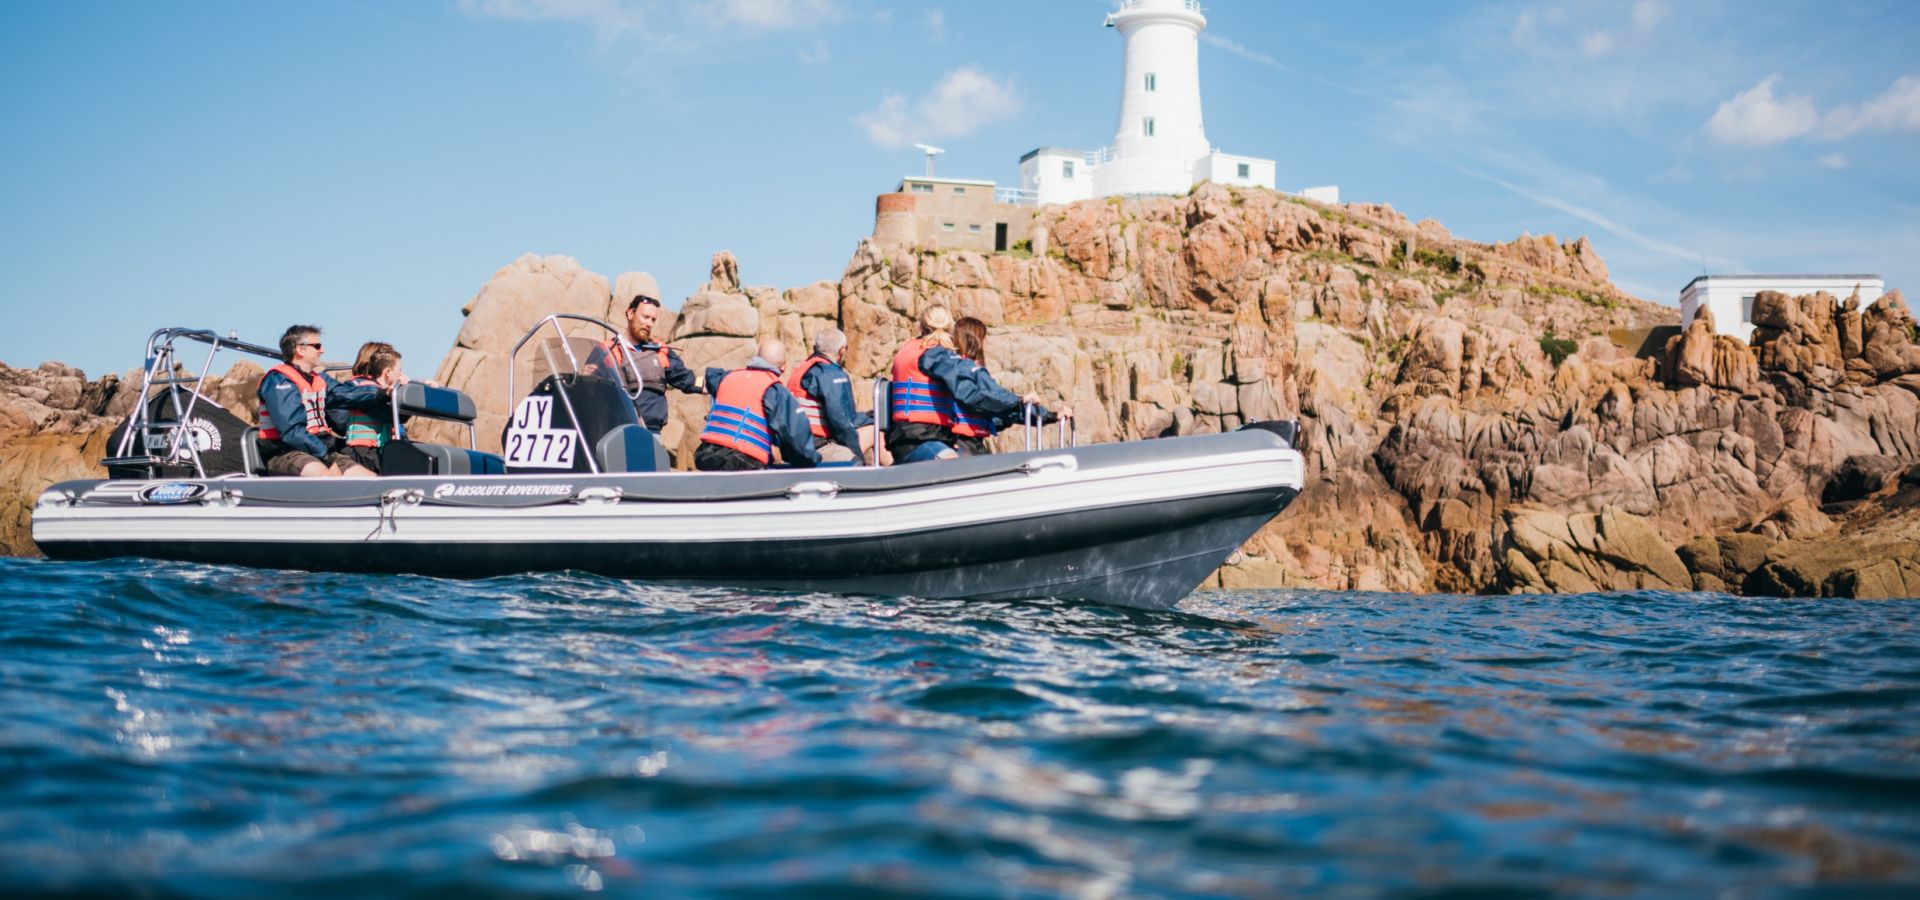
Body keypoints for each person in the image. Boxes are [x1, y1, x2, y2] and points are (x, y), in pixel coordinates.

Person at [886, 306, 1069, 463]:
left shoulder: (915, 352)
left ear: (921, 326)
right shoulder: (937, 357)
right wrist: (1019, 401)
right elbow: (971, 395)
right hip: (920, 439)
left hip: (921, 437)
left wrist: (1045, 414)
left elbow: (996, 412)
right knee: (958, 465)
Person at [255, 325, 386, 477]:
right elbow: (291, 431)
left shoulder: (319, 379)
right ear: (300, 350)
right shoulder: (279, 380)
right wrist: (327, 458)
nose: (322, 350)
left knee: (372, 482)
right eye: (317, 346)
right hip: (285, 453)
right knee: (325, 477)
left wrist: (383, 393)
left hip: (320, 450)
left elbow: (346, 393)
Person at [695, 338, 820, 472]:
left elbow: (709, 379)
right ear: (783, 367)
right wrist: (811, 459)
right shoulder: (775, 392)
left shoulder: (725, 377)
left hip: (706, 456)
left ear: (757, 358)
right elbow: (796, 438)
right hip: (743, 463)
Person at [584, 294, 699, 433]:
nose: (649, 323)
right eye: (645, 317)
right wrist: (586, 380)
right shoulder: (607, 350)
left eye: (653, 320)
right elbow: (590, 394)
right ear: (631, 313)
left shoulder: (660, 350)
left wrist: (718, 382)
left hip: (652, 432)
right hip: (617, 429)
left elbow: (688, 380)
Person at [785, 328, 883, 465]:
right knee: (878, 431)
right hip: (818, 446)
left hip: (795, 445)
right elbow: (841, 423)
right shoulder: (830, 374)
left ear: (814, 349)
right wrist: (858, 455)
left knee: (872, 423)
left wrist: (867, 417)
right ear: (842, 351)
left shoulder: (801, 370)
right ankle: (894, 479)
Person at [331, 342, 410, 475]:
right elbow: (391, 414)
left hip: (379, 449)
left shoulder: (381, 390)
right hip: (364, 452)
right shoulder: (361, 389)